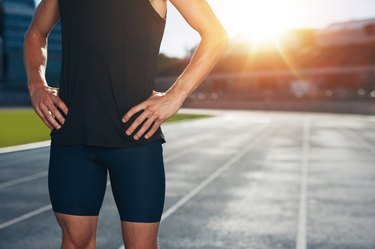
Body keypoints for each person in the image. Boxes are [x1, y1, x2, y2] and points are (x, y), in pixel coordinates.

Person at [23, 0, 228, 248]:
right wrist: (37, 85)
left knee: (140, 245)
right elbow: (36, 33)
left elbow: (215, 35)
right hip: (73, 135)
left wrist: (177, 94)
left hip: (136, 136)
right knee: (75, 242)